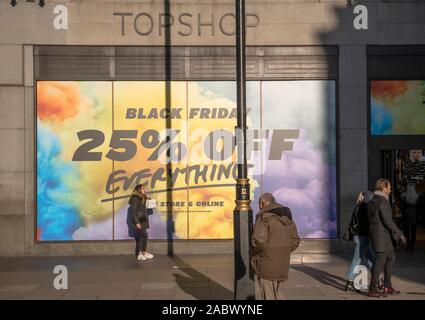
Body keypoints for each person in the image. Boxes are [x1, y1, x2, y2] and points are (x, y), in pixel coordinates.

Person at [251, 193, 300, 300]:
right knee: (280, 294)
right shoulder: (287, 218)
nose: (259, 207)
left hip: (266, 264)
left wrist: (260, 254)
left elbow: (258, 240)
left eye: (259, 204)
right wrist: (284, 250)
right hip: (283, 263)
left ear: (263, 203)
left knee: (267, 295)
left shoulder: (264, 218)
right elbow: (295, 240)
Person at [367, 179, 406, 298]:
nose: (390, 189)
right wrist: (400, 234)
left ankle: (387, 286)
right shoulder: (383, 201)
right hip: (382, 237)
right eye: (389, 187)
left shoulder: (372, 201)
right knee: (379, 263)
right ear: (383, 188)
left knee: (391, 257)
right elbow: (388, 221)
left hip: (379, 237)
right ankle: (373, 289)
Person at [344, 191, 375, 292]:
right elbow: (366, 224)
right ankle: (349, 281)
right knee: (357, 259)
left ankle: (377, 279)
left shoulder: (357, 207)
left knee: (372, 259)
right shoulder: (365, 207)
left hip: (358, 236)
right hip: (362, 237)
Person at [129, 184, 154, 261]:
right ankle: (141, 253)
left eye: (144, 188)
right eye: (142, 189)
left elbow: (147, 210)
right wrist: (137, 222)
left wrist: (149, 201)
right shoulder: (134, 199)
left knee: (140, 237)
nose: (144, 190)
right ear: (138, 190)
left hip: (143, 220)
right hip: (139, 220)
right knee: (145, 236)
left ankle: (143, 253)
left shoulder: (143, 198)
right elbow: (133, 212)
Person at [400, 183, 420, 252]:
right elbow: (419, 207)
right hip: (414, 214)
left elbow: (402, 207)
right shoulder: (417, 197)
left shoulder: (403, 196)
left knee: (406, 231)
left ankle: (408, 244)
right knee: (413, 231)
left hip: (406, 214)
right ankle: (412, 245)